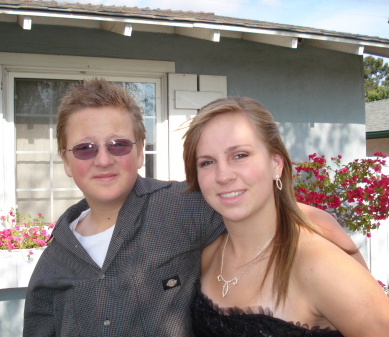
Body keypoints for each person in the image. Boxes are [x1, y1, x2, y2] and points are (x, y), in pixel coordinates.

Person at [23, 79, 365, 336]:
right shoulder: (53, 263)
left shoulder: (184, 207)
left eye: (119, 145)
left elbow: (279, 210)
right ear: (66, 161)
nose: (102, 159)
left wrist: (356, 274)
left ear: (141, 151)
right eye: (84, 148)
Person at [182, 97, 389, 336]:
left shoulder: (320, 265)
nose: (223, 175)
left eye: (240, 155)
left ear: (276, 163)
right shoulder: (208, 256)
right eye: (207, 162)